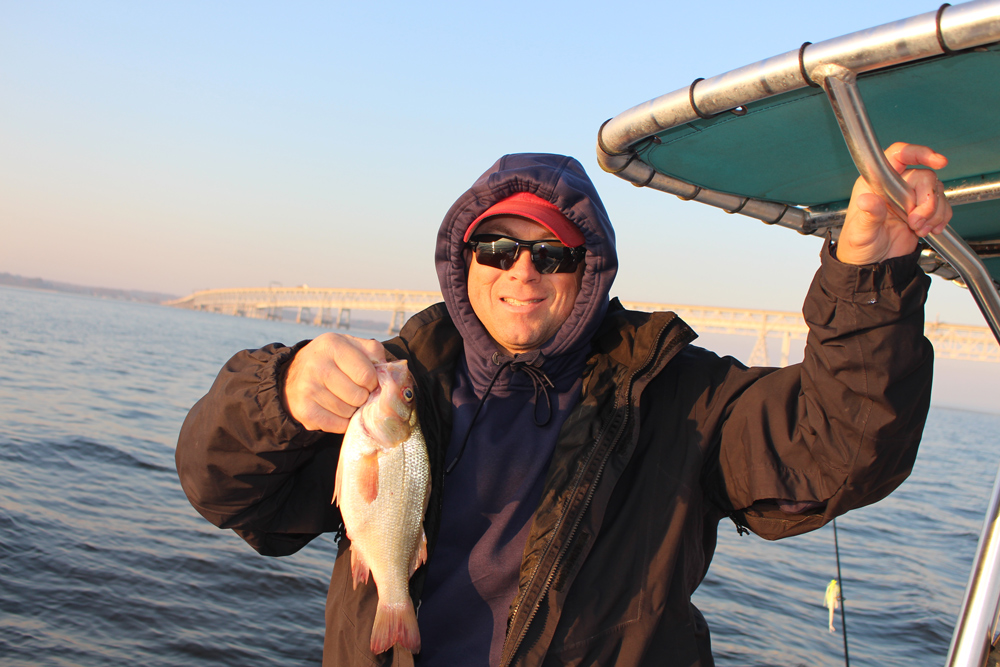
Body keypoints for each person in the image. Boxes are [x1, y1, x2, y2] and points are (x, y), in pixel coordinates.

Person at [176, 144, 952, 667]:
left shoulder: (679, 396)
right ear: (461, 262)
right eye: (496, 248)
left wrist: (869, 282)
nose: (523, 271)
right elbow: (221, 486)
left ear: (590, 270)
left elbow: (839, 445)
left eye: (551, 253)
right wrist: (279, 395)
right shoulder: (392, 381)